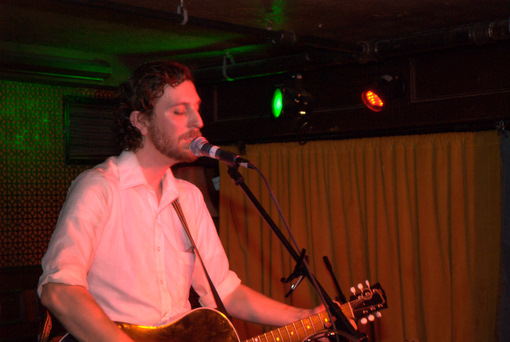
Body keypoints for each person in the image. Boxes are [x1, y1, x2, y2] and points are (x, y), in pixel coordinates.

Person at [38, 60, 354, 341]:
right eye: (180, 111)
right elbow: (59, 288)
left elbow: (224, 291)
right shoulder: (99, 188)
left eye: (196, 108)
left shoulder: (188, 199)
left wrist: (301, 318)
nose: (197, 121)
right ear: (142, 122)